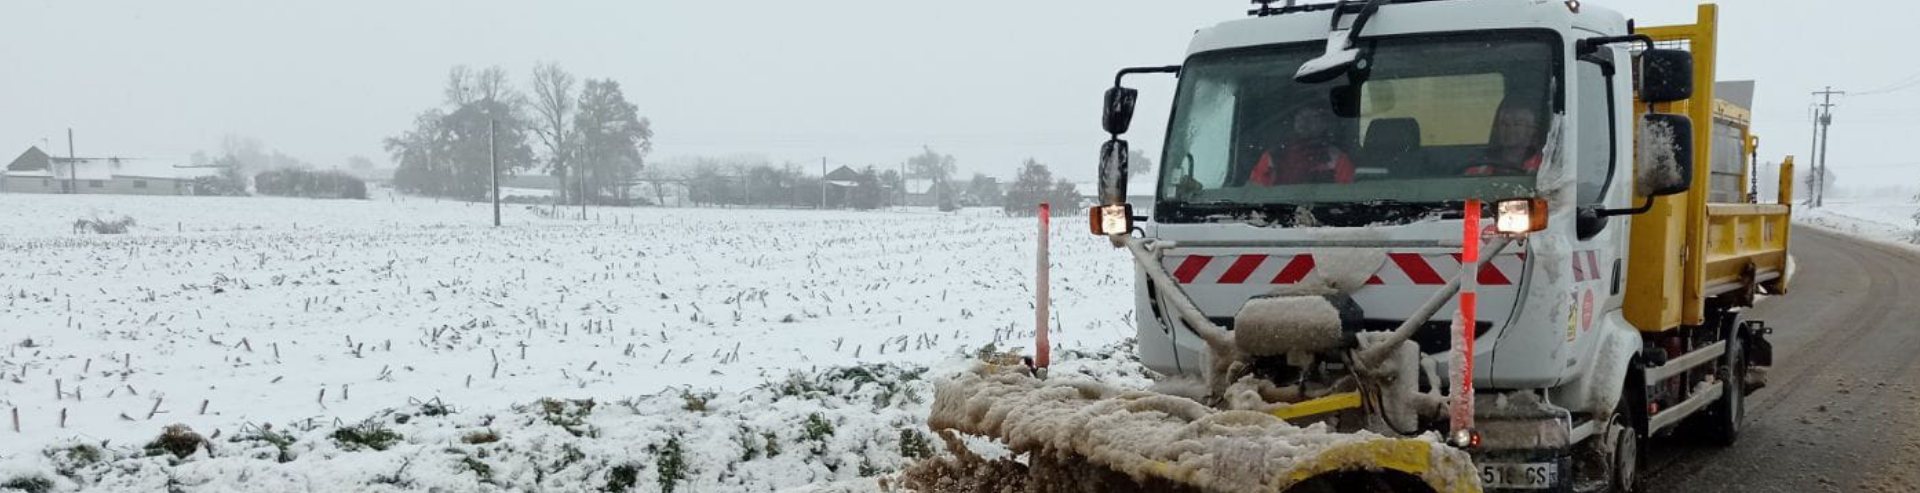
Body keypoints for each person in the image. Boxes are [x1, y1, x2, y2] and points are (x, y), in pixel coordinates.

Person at [1248, 101, 1355, 186]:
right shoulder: (1272, 156)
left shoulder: (1336, 158)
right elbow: (1257, 193)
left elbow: (1346, 194)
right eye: (1300, 116)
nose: (1305, 121)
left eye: (1313, 117)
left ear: (1324, 124)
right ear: (1293, 122)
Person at [1464, 102, 1546, 176]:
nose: (1510, 129)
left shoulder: (1545, 167)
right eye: (1504, 123)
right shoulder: (1477, 170)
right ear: (1496, 129)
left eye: (1517, 124)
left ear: (1531, 130)